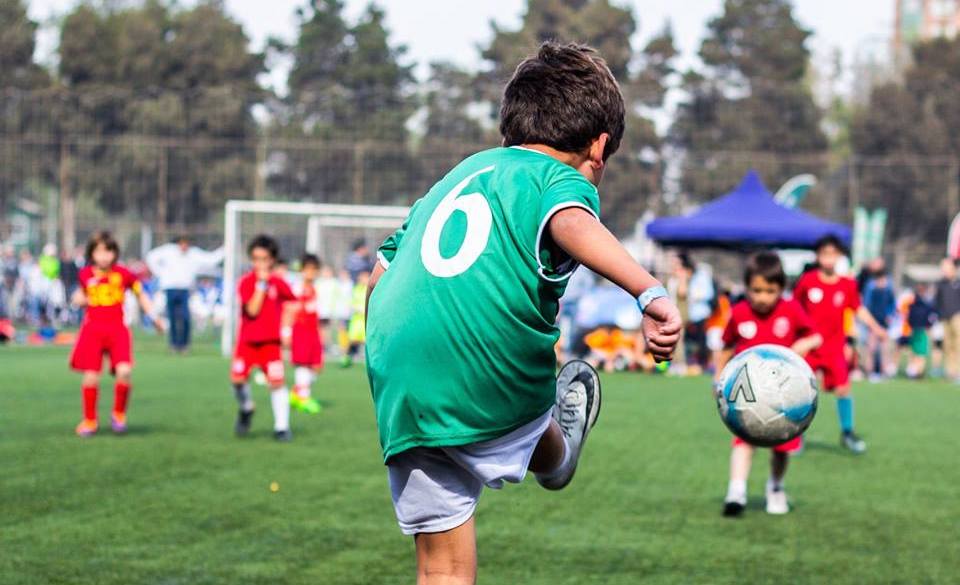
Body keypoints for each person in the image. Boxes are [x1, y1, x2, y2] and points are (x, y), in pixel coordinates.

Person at [364, 42, 682, 585]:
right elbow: (571, 222)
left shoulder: (457, 176)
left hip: (401, 380)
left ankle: (541, 432)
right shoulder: (558, 179)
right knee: (528, 418)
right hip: (492, 372)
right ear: (599, 147)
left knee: (441, 569)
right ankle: (558, 455)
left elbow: (378, 277)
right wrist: (648, 291)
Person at [717, 252, 822, 517]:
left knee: (781, 448)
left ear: (781, 289)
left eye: (769, 291)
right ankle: (736, 490)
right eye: (756, 290)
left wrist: (799, 348)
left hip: (782, 396)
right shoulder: (740, 312)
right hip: (747, 394)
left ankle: (775, 486)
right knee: (743, 441)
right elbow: (725, 346)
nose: (762, 297)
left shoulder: (791, 310)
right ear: (747, 286)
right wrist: (718, 376)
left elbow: (815, 337)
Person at [794, 235, 887, 454]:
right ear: (818, 256)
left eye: (832, 254)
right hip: (810, 347)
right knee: (802, 391)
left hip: (834, 348)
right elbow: (794, 310)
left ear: (839, 257)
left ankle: (847, 433)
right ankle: (796, 434)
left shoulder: (847, 284)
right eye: (824, 254)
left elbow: (858, 309)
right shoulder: (808, 281)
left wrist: (876, 328)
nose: (828, 259)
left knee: (844, 389)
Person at [69, 232, 163, 437]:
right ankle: (90, 420)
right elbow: (80, 296)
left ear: (115, 253)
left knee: (124, 371)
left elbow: (141, 295)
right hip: (93, 330)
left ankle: (119, 415)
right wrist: (79, 299)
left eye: (108, 251)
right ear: (92, 253)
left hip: (117, 330)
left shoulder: (124, 274)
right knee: (91, 376)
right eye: (99, 251)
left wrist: (155, 318)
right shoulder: (86, 274)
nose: (104, 256)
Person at [230, 235, 297, 441]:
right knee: (238, 380)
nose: (260, 263)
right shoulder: (247, 282)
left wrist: (286, 330)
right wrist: (261, 285)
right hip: (247, 342)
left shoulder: (279, 282)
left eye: (264, 259)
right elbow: (252, 309)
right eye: (255, 258)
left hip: (271, 343)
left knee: (276, 383)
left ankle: (282, 428)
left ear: (272, 260)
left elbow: (293, 304)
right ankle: (246, 408)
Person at [145, 236, 224, 354]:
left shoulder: (194, 253)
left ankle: (184, 345)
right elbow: (150, 257)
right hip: (170, 288)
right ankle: (174, 344)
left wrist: (225, 249)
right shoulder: (168, 251)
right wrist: (160, 274)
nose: (184, 246)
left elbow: (211, 259)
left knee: (185, 317)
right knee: (172, 317)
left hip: (185, 290)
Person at [284, 253, 323, 414]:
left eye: (314, 270)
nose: (311, 273)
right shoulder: (297, 287)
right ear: (302, 270)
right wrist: (285, 331)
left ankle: (296, 393)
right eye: (308, 269)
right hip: (300, 330)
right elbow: (289, 309)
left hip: (312, 332)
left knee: (316, 367)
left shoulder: (315, 288)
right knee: (302, 364)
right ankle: (304, 398)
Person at [863, 270, 896, 381]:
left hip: (884, 324)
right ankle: (869, 372)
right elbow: (867, 307)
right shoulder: (872, 292)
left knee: (884, 350)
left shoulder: (889, 292)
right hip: (873, 324)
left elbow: (892, 307)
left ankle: (883, 372)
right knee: (871, 349)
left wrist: (890, 316)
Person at [934, 258, 960, 382]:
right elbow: (937, 301)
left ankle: (958, 371)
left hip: (957, 317)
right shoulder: (941, 284)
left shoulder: (958, 282)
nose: (944, 270)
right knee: (947, 345)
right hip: (944, 317)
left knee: (958, 344)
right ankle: (951, 371)